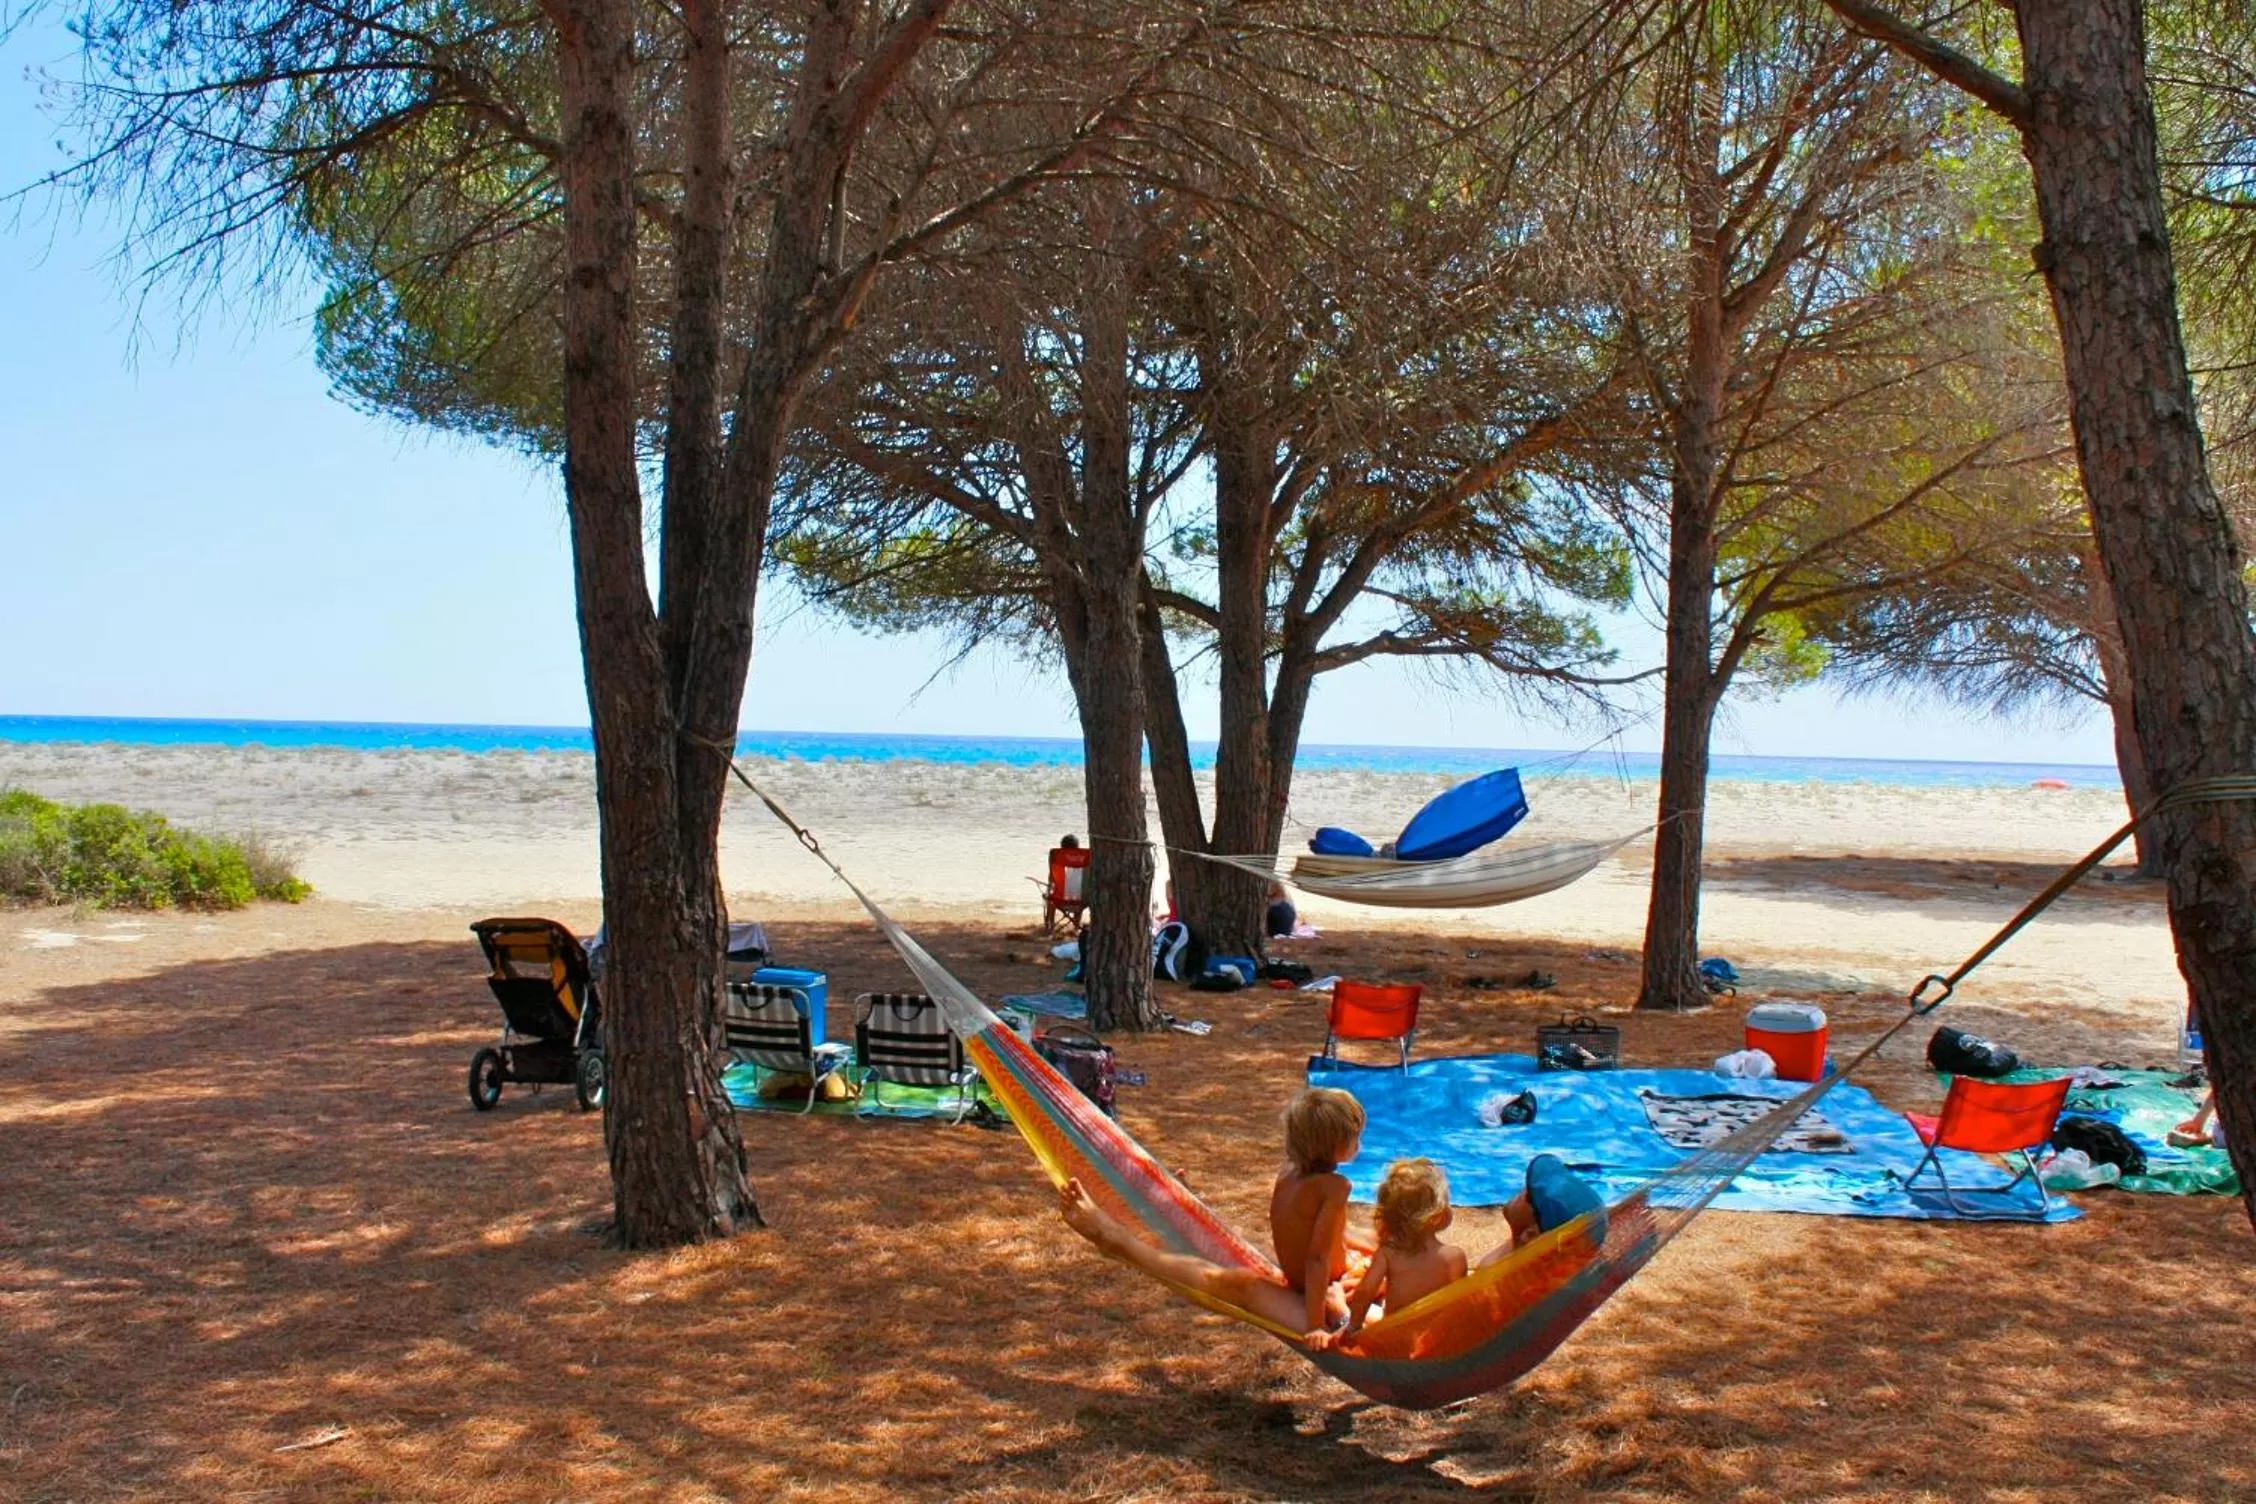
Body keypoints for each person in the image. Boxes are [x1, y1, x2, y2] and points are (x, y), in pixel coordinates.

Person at [1056, 1086, 1371, 1343]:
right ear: (1331, 1145)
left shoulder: (1290, 1170)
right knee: (1234, 1281)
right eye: (1354, 1137)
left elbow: (1302, 1232)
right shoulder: (1335, 1187)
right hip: (1321, 1291)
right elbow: (1316, 1260)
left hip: (1324, 1277)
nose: (1359, 1144)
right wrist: (1316, 1325)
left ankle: (1186, 1214)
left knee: (1243, 1263)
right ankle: (1115, 1240)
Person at [1311, 1158, 1466, 1349]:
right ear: (1436, 1217)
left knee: (1353, 1304)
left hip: (1394, 1336)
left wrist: (1353, 1326)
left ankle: (1339, 1309)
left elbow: (1365, 1293)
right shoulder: (1455, 1258)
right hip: (1431, 1338)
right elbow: (1458, 1305)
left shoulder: (1388, 1254)